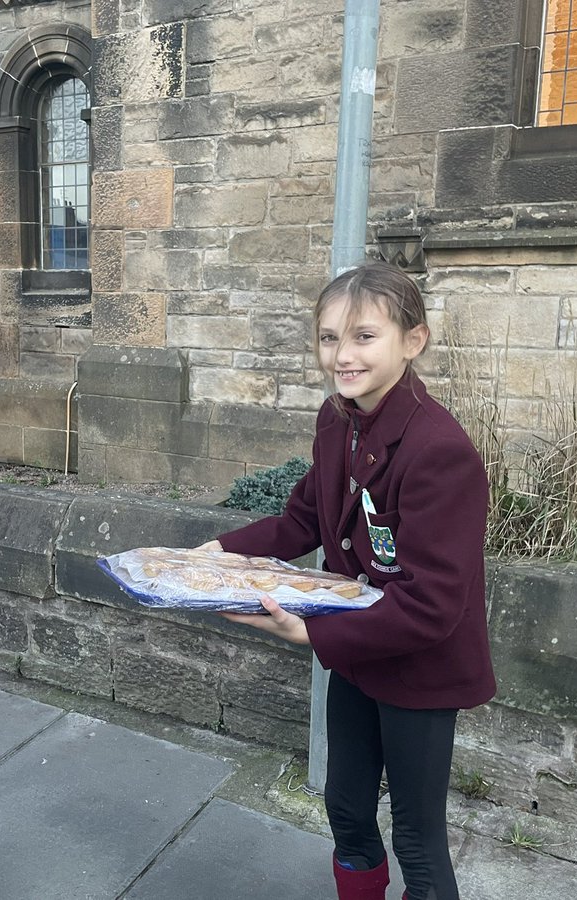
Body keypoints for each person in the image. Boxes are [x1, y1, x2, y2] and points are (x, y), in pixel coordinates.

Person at [204, 261, 494, 900]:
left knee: (417, 840)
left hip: (420, 668)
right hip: (359, 657)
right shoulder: (336, 420)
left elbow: (433, 605)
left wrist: (311, 634)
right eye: (329, 337)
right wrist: (218, 551)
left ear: (412, 341)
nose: (342, 355)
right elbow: (306, 519)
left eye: (364, 336)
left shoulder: (439, 449)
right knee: (347, 810)